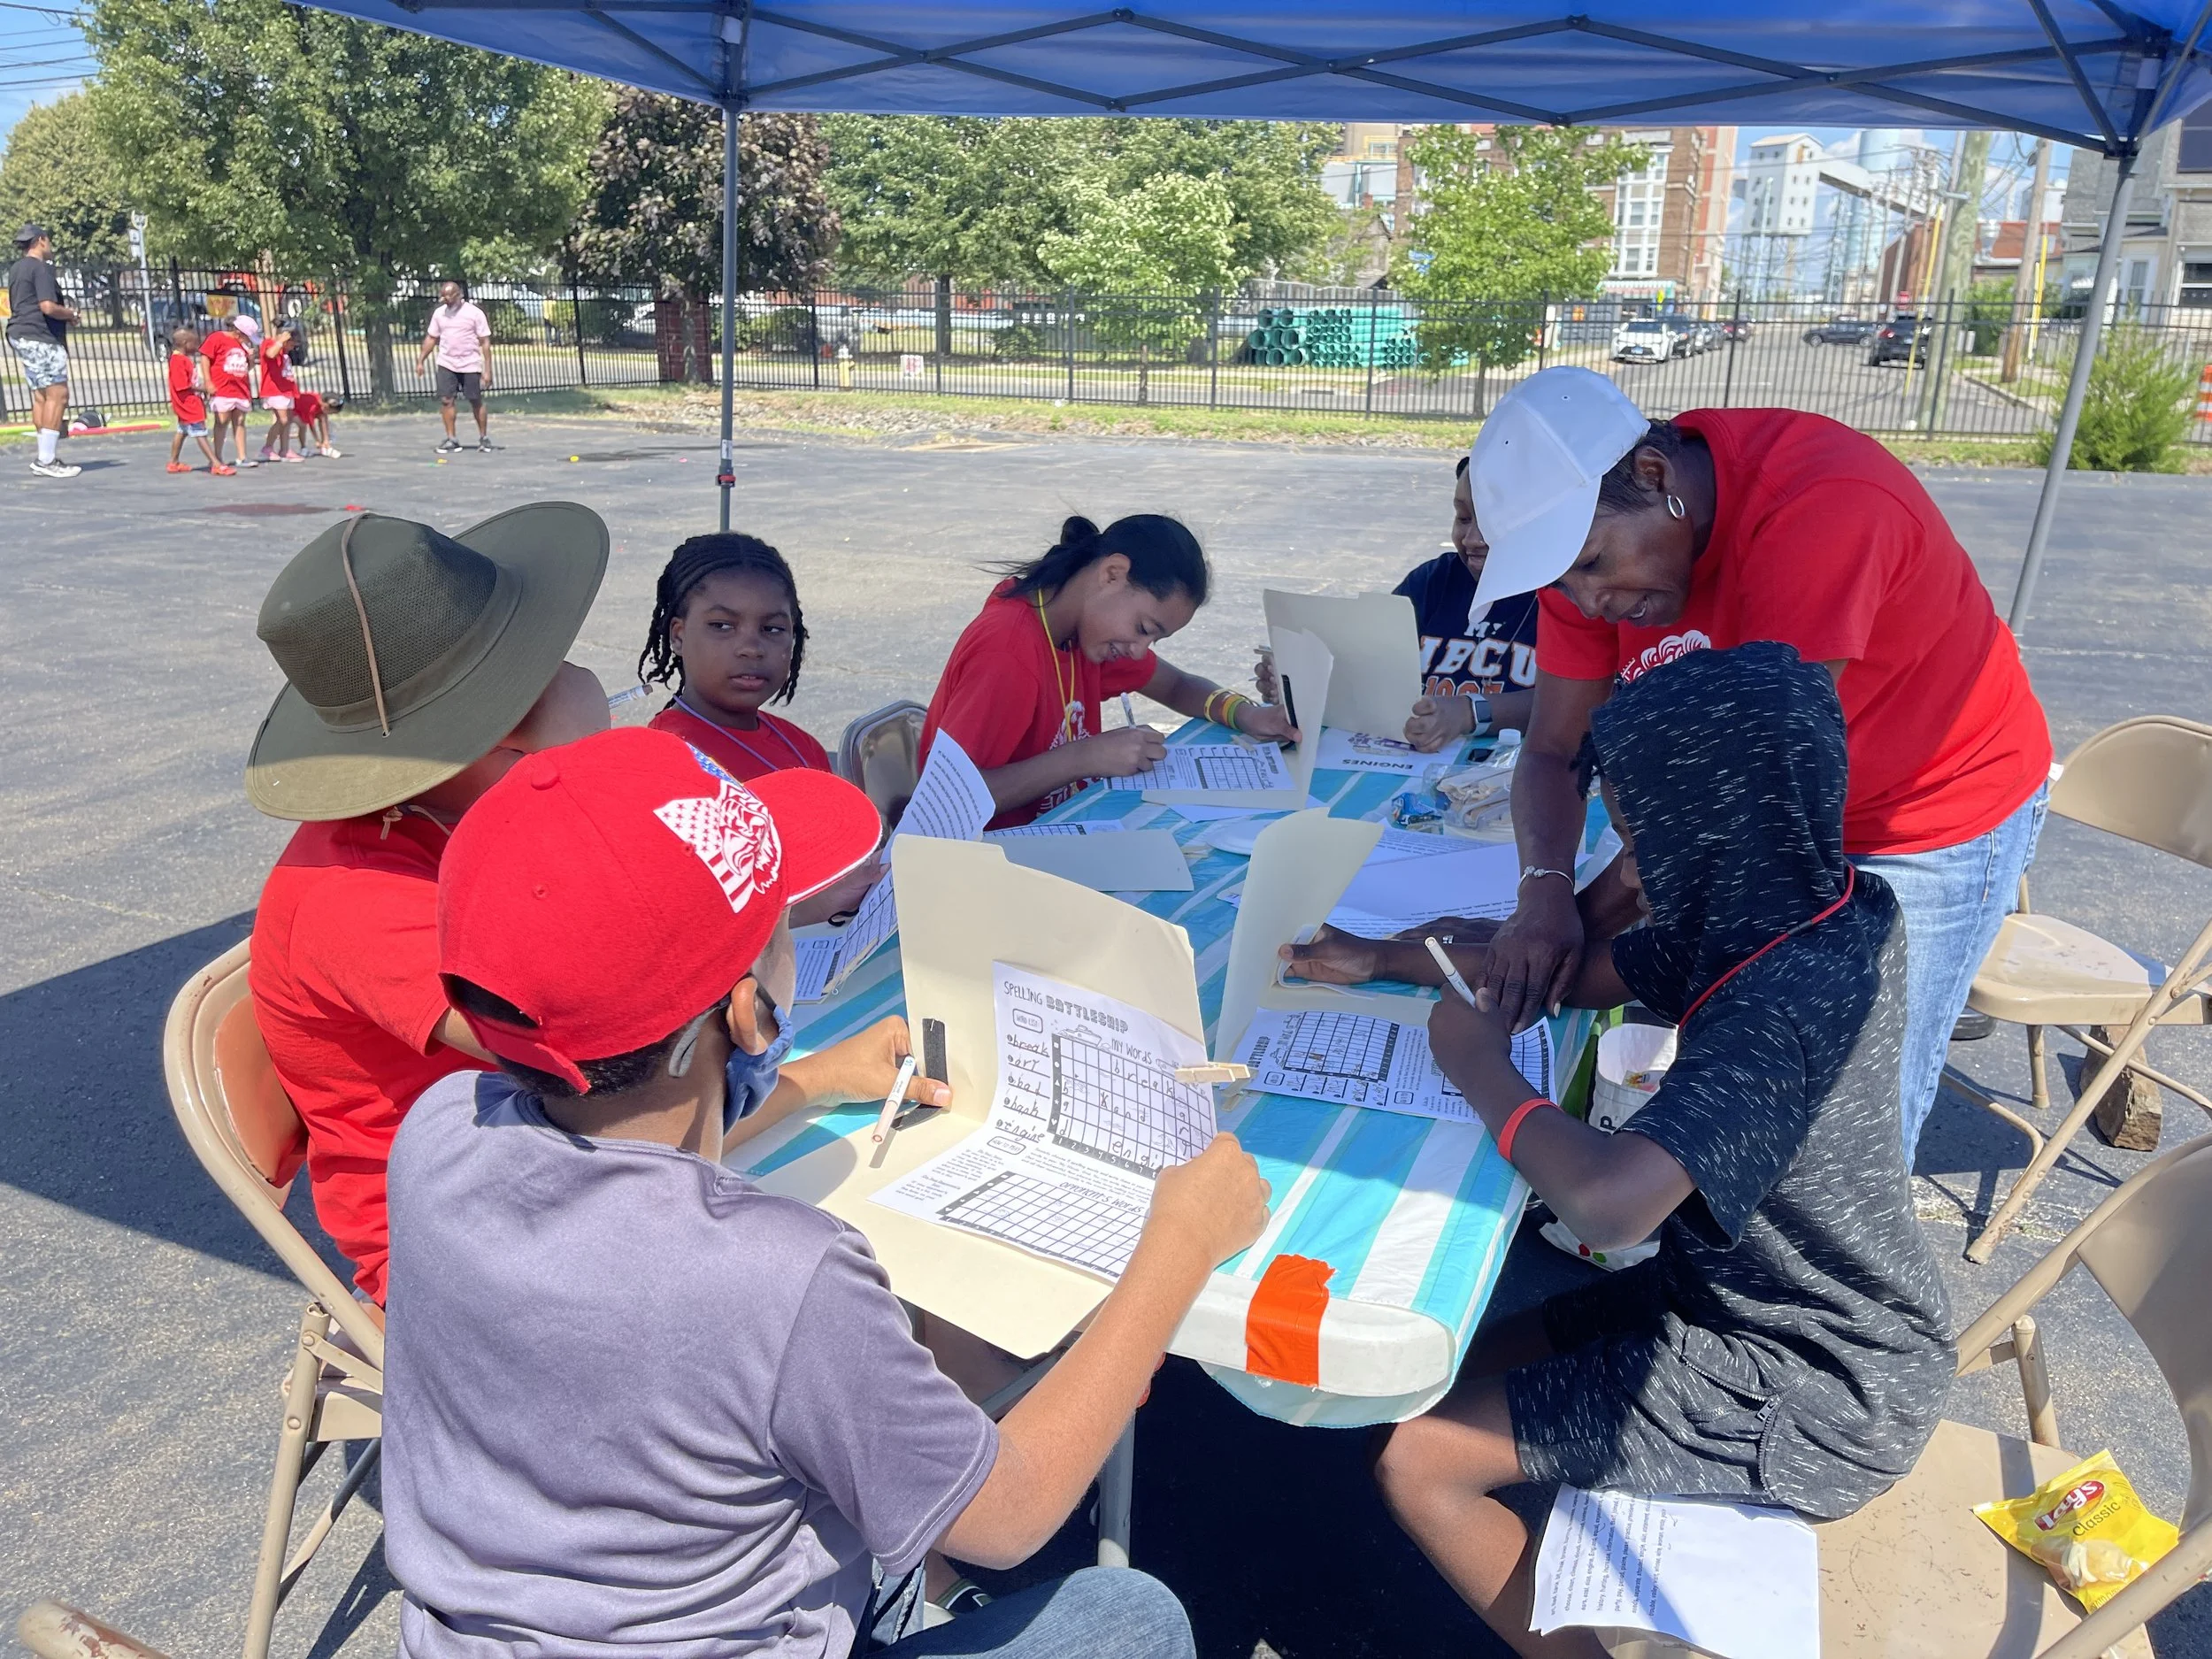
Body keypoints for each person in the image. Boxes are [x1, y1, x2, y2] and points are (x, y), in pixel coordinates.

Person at [381, 723, 1263, 1657]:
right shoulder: (781, 1276)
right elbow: (1007, 1516)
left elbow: (633, 1148)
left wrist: (815, 1079)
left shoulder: (440, 1131)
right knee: (1132, 1617)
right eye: (784, 930)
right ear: (750, 1010)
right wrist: (1178, 1244)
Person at [1340, 643, 1949, 1659]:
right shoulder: (1805, 908)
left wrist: (1478, 1066)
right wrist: (1390, 957)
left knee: (1417, 1454)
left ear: (1707, 831)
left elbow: (1610, 1207)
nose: (1627, 867)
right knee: (1436, 1371)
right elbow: (1572, 975)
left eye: (1634, 835)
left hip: (1809, 1383)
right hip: (1734, 1301)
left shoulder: (1782, 1001)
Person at [1471, 366, 2051, 1154]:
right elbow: (1550, 747)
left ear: (1653, 476)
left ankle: (1838, 1280)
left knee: (1854, 1117)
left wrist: (1572, 921)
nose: (1587, 602)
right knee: (1745, 1074)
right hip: (1758, 807)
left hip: (1924, 813)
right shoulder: (1583, 551)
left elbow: (1747, 798)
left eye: (1595, 564)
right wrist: (1543, 896)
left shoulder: (1823, 506)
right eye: (1562, 580)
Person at [923, 513, 1295, 828]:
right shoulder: (1008, 652)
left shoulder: (1081, 632)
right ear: (1113, 574)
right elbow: (947, 799)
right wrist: (1084, 758)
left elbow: (1177, 686)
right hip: (983, 860)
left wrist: (1245, 713)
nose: (1139, 651)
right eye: (1144, 629)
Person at [1399, 454, 1541, 749]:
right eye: (1463, 519)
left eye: (1493, 522)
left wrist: (1469, 712)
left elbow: (1577, 702)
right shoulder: (1431, 582)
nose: (1472, 538)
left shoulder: (1569, 597)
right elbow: (1366, 659)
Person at [7, 223, 81, 480]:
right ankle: (46, 460)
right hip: (41, 336)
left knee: (41, 395)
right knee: (58, 394)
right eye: (47, 241)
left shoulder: (16, 269)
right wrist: (71, 314)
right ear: (40, 240)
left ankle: (44, 456)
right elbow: (48, 306)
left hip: (20, 334)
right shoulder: (41, 268)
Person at [416, 279, 492, 453]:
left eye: (450, 296)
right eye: (444, 296)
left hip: (470, 364)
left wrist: (487, 370)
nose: (446, 299)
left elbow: (485, 342)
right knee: (446, 400)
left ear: (459, 295)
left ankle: (483, 437)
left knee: (475, 400)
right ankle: (452, 439)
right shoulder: (439, 314)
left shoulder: (474, 313)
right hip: (447, 362)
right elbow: (431, 338)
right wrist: (421, 360)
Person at [164, 325, 226, 475]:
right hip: (188, 404)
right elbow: (182, 385)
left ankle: (173, 462)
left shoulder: (184, 359)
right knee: (200, 432)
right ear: (185, 342)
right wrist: (205, 388)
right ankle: (216, 463)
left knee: (182, 430)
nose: (197, 346)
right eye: (194, 343)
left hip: (189, 402)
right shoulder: (178, 361)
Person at [201, 312, 257, 470]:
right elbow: (205, 357)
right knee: (222, 421)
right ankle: (217, 456)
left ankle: (242, 456)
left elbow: (247, 367)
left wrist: (251, 359)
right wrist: (208, 381)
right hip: (222, 387)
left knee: (239, 422)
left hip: (240, 389)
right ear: (239, 332)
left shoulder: (243, 346)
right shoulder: (218, 338)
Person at [256, 318, 304, 463]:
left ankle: (285, 449)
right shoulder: (270, 344)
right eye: (291, 342)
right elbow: (269, 355)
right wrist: (280, 340)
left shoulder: (284, 352)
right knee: (282, 420)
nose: (292, 347)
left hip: (286, 389)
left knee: (288, 420)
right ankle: (267, 447)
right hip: (274, 389)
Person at [291, 386, 341, 457]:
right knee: (303, 425)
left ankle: (325, 443)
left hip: (302, 408)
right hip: (294, 409)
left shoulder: (322, 404)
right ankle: (303, 448)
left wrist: (326, 440)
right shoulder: (313, 406)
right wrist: (317, 440)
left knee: (322, 416)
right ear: (326, 405)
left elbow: (324, 421)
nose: (330, 414)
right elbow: (311, 425)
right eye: (331, 412)